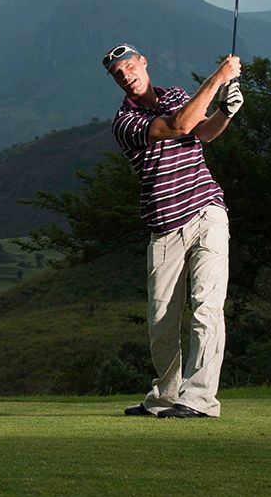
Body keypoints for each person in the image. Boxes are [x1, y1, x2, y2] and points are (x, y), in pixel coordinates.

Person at [101, 43, 243, 419]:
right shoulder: (124, 123)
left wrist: (226, 111)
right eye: (118, 74)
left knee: (206, 308)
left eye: (129, 67)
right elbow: (179, 126)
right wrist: (219, 78)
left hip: (207, 211)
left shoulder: (178, 95)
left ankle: (199, 400)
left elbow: (205, 133)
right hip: (164, 227)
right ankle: (165, 396)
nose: (125, 75)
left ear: (143, 63)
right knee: (161, 321)